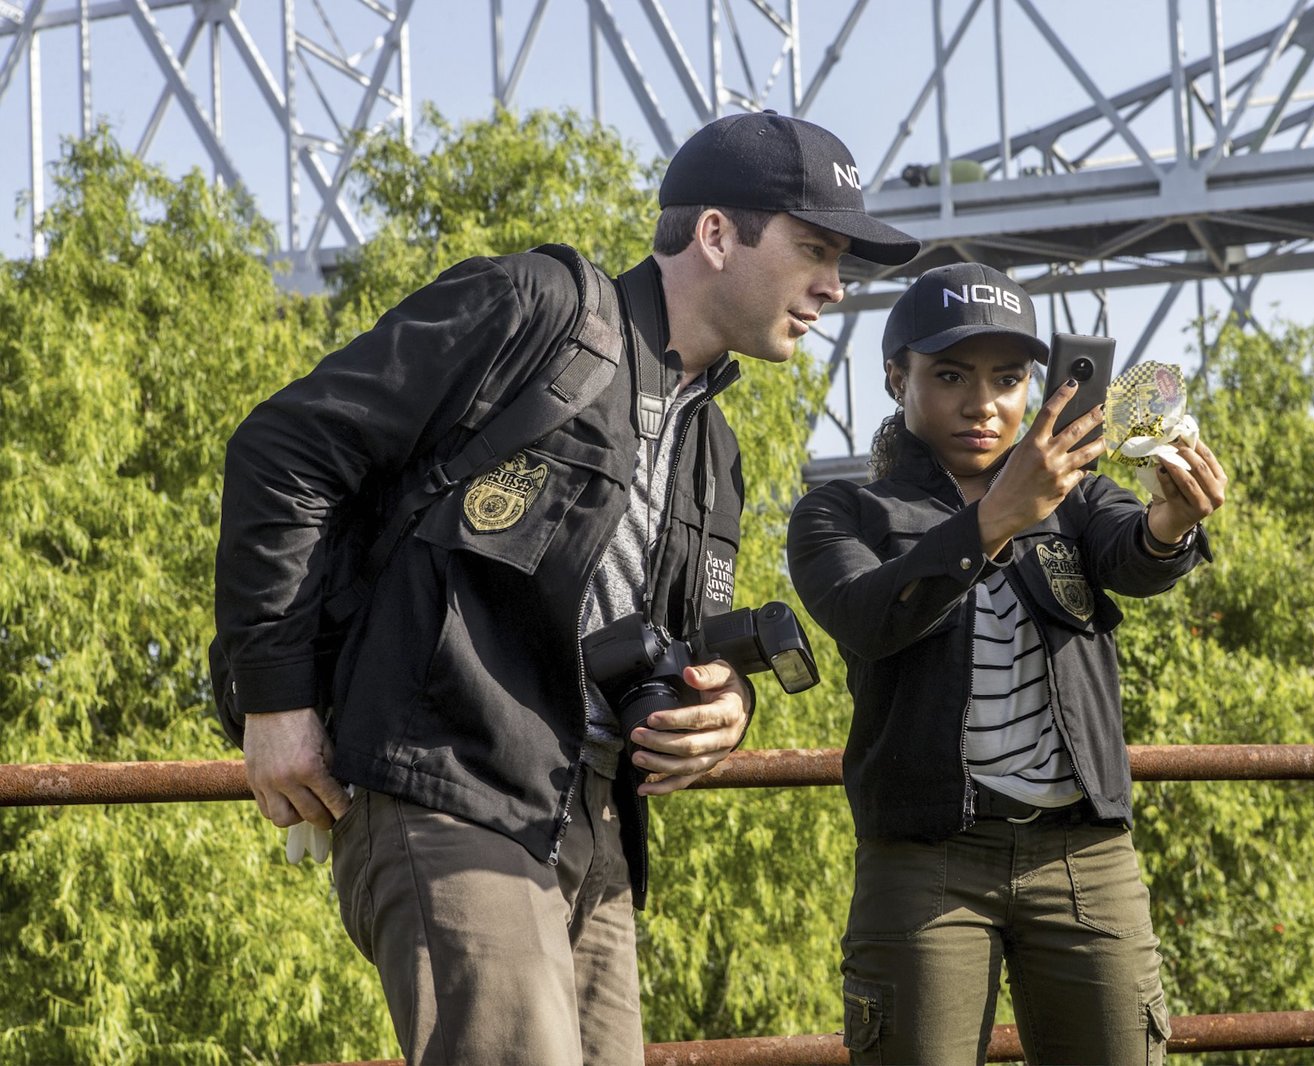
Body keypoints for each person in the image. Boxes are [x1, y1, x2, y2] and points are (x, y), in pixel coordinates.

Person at [213, 111, 918, 1066]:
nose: (836, 286)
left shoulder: (713, 451)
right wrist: (276, 699)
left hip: (593, 827)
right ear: (716, 234)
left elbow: (679, 641)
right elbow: (283, 450)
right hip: (447, 784)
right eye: (816, 251)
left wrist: (725, 705)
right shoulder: (535, 309)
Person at [786, 262, 1228, 1066]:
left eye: (1008, 377)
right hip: (924, 860)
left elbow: (1133, 556)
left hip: (1084, 854)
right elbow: (866, 616)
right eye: (951, 375)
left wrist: (1169, 524)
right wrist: (994, 519)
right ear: (897, 377)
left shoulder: (1078, 496)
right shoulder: (843, 512)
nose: (983, 403)